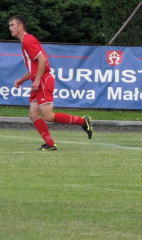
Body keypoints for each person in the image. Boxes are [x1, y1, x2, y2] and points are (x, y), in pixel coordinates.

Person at [8, 15, 93, 151]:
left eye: (12, 25)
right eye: (10, 25)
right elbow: (34, 67)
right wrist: (22, 80)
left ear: (20, 26)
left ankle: (83, 121)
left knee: (48, 116)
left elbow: (42, 60)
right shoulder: (26, 41)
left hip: (43, 80)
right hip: (40, 80)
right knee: (33, 114)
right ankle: (50, 144)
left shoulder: (27, 41)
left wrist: (36, 80)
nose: (10, 28)